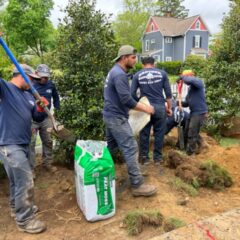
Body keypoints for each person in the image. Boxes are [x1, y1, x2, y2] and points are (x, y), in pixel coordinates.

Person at [103, 45, 157, 197]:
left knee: (111, 148)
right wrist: (146, 109)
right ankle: (137, 184)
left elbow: (119, 97)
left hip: (110, 115)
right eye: (133, 58)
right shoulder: (119, 74)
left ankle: (105, 175)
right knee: (131, 147)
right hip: (116, 118)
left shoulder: (114, 71)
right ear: (124, 57)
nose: (135, 60)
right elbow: (126, 99)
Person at [0, 64, 47, 233]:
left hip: (24, 143)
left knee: (16, 181)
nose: (33, 83)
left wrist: (41, 107)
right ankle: (25, 220)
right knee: (25, 181)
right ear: (22, 75)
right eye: (32, 79)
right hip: (10, 144)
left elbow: (37, 116)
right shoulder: (6, 89)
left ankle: (16, 208)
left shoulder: (27, 95)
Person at [131, 56, 172, 167]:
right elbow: (168, 94)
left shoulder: (137, 75)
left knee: (144, 133)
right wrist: (169, 108)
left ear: (143, 64)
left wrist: (138, 104)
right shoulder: (162, 73)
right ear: (153, 64)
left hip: (145, 108)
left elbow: (132, 94)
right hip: (159, 107)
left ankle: (144, 158)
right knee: (159, 133)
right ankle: (157, 159)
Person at [29, 64, 60, 172]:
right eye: (42, 76)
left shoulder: (50, 85)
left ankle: (48, 163)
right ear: (37, 74)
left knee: (48, 140)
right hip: (32, 120)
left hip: (46, 118)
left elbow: (56, 97)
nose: (44, 79)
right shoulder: (30, 85)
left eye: (46, 77)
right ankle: (31, 169)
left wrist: (57, 109)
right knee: (31, 144)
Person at [176, 70, 208, 155]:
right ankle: (187, 148)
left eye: (185, 77)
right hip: (193, 112)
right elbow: (187, 103)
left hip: (199, 112)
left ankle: (191, 153)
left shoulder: (198, 82)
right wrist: (178, 103)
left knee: (192, 132)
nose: (184, 81)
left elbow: (190, 80)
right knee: (186, 131)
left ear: (190, 75)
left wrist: (182, 77)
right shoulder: (191, 89)